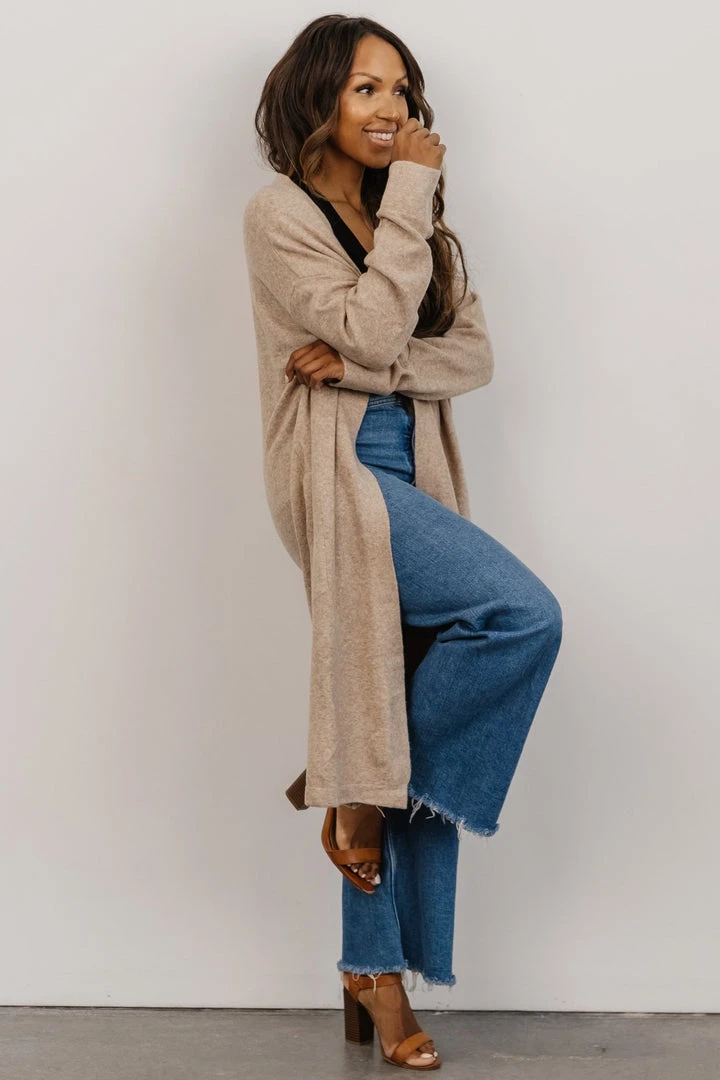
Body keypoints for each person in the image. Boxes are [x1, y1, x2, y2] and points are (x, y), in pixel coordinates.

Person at [243, 15, 563, 1071]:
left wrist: (363, 367)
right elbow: (379, 326)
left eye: (402, 90)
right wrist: (408, 213)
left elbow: (468, 356)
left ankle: (369, 951)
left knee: (391, 702)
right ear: (318, 99)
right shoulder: (280, 214)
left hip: (413, 471)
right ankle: (356, 778)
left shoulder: (418, 224)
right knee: (522, 615)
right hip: (333, 478)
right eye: (366, 89)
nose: (392, 110)